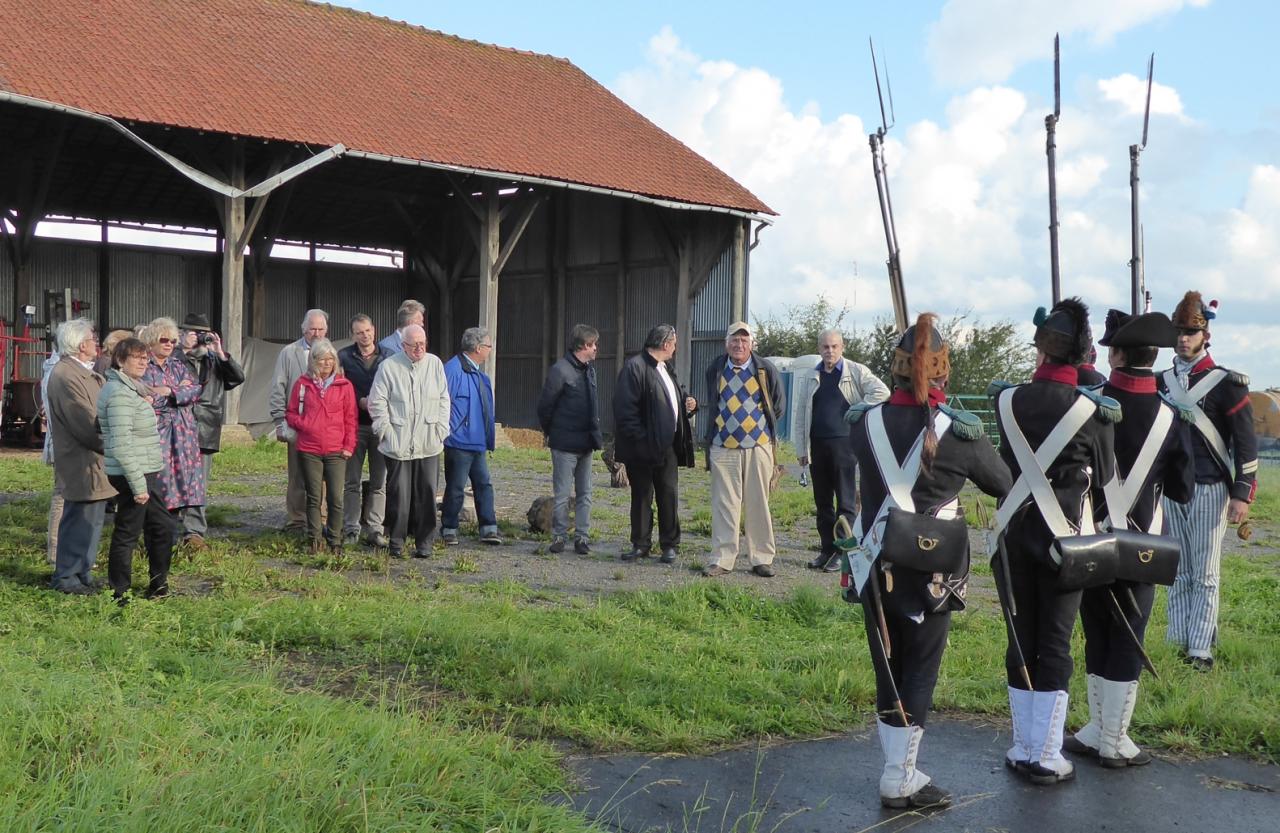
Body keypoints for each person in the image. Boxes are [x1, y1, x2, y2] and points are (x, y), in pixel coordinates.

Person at [846, 313, 1011, 809]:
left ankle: (898, 769)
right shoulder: (961, 432)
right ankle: (900, 777)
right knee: (919, 669)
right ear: (943, 372)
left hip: (874, 563)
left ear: (893, 370)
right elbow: (1003, 484)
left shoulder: (863, 423)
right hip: (933, 572)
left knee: (887, 665)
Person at [991, 298, 1116, 786]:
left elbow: (1006, 464)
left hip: (1014, 535)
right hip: (1066, 540)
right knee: (1056, 643)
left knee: (1020, 637)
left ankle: (1022, 743)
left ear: (1040, 351)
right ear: (1082, 354)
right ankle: (1046, 752)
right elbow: (1105, 477)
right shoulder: (1095, 411)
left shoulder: (1006, 401)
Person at [1065, 309, 1193, 767]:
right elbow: (1182, 489)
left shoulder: (1085, 405)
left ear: (1115, 356)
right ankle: (1113, 738)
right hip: (1142, 546)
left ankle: (1100, 727)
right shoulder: (1171, 418)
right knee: (1127, 638)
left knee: (1096, 632)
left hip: (1092, 539)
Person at [1158, 292, 1257, 671]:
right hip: (1173, 489)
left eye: (1191, 331)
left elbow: (1245, 444)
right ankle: (1176, 640)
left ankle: (1199, 649)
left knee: (1206, 573)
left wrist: (1241, 494)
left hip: (1210, 487)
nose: (1183, 338)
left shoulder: (1226, 383)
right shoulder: (1163, 382)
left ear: (1205, 334)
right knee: (1178, 570)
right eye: (1180, 331)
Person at [793, 328, 889, 572]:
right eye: (825, 347)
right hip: (817, 445)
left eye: (834, 346)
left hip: (845, 445)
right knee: (822, 502)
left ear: (842, 347)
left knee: (845, 502)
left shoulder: (855, 371)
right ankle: (826, 550)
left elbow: (882, 392)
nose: (830, 351)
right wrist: (801, 447)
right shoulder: (811, 375)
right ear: (819, 349)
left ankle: (842, 553)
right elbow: (801, 413)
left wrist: (859, 409)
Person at [700, 322, 785, 578]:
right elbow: (714, 402)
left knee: (759, 501)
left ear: (752, 344)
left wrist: (757, 428)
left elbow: (777, 405)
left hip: (758, 446)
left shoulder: (765, 368)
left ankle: (761, 558)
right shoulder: (716, 368)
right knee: (724, 504)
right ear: (726, 344)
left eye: (744, 341)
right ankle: (722, 558)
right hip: (723, 445)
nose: (739, 345)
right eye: (734, 341)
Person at [612, 325, 698, 563]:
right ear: (665, 344)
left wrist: (689, 403)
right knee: (642, 496)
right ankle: (640, 545)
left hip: (667, 446)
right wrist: (641, 441)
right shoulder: (635, 367)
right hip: (642, 447)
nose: (675, 347)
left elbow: (675, 398)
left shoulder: (666, 368)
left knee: (668, 494)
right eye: (674, 342)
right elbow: (624, 411)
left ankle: (669, 545)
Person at [100, 337, 176, 602]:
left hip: (145, 469)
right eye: (137, 357)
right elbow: (121, 445)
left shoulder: (132, 389)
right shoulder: (120, 394)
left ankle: (158, 585)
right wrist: (138, 485)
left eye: (145, 357)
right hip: (133, 472)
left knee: (162, 525)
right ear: (121, 361)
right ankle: (118, 593)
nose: (144, 362)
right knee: (128, 530)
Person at [367, 323, 450, 558]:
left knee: (427, 494)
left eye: (422, 343)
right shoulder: (388, 367)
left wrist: (441, 429)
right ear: (403, 345)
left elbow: (444, 398)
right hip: (398, 444)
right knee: (399, 496)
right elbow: (376, 402)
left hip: (428, 441)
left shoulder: (434, 364)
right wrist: (385, 431)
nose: (419, 348)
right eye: (414, 344)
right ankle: (396, 541)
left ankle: (425, 542)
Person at [46, 318, 113, 594]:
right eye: (92, 339)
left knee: (92, 520)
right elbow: (85, 423)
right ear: (81, 344)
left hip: (94, 460)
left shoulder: (84, 372)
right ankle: (67, 578)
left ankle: (82, 573)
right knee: (78, 520)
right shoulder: (66, 376)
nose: (96, 343)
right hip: (81, 460)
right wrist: (112, 445)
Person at [177, 313, 245, 549]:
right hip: (176, 428)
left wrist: (220, 352)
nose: (199, 339)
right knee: (173, 479)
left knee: (198, 483)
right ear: (181, 334)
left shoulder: (214, 360)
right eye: (194, 333)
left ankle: (194, 532)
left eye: (203, 334)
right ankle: (168, 525)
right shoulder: (174, 359)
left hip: (205, 427)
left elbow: (237, 378)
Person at [536, 324, 603, 554]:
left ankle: (582, 538)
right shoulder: (560, 371)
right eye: (593, 344)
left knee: (586, 494)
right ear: (583, 345)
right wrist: (553, 433)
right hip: (564, 445)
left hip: (586, 444)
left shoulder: (589, 370)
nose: (596, 349)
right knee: (562, 495)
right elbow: (545, 407)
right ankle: (559, 537)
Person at [286, 338, 357, 554]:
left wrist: (349, 445)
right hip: (310, 448)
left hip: (337, 449)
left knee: (336, 497)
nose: (327, 363)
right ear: (313, 361)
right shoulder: (302, 384)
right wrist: (306, 424)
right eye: (322, 359)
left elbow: (350, 418)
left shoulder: (344, 385)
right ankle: (314, 539)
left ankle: (335, 539)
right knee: (314, 496)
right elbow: (290, 413)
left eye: (330, 359)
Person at [140, 318, 205, 527]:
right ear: (152, 340)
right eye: (164, 340)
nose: (169, 344)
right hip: (158, 433)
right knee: (160, 482)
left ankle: (179, 530)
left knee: (185, 481)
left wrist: (168, 391)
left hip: (183, 433)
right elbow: (145, 398)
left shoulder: (177, 365)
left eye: (173, 340)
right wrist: (178, 391)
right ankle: (156, 528)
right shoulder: (143, 365)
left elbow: (195, 391)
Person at [337, 314, 395, 547]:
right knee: (351, 481)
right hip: (355, 426)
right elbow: (339, 389)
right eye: (359, 332)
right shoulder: (343, 357)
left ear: (374, 330)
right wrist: (357, 401)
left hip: (380, 426)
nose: (365, 336)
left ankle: (375, 528)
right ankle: (351, 527)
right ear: (353, 335)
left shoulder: (389, 357)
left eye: (368, 331)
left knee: (379, 482)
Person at [270, 309, 329, 532]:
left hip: (322, 426)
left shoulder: (331, 353)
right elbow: (278, 386)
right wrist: (279, 420)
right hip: (297, 423)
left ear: (326, 330)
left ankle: (320, 517)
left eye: (320, 329)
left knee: (322, 474)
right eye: (312, 328)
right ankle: (296, 519)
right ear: (303, 329)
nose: (316, 333)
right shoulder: (289, 352)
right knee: (296, 474)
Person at [441, 327, 502, 546]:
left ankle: (488, 528)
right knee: (456, 487)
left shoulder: (479, 375)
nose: (490, 351)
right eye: (488, 346)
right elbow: (443, 402)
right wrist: (448, 431)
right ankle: (449, 528)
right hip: (458, 441)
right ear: (478, 348)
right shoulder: (453, 370)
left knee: (484, 484)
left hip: (477, 442)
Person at [40, 350, 63, 566]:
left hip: (64, 444)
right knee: (62, 496)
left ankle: (61, 551)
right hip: (63, 444)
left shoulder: (55, 367)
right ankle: (55, 552)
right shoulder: (58, 370)